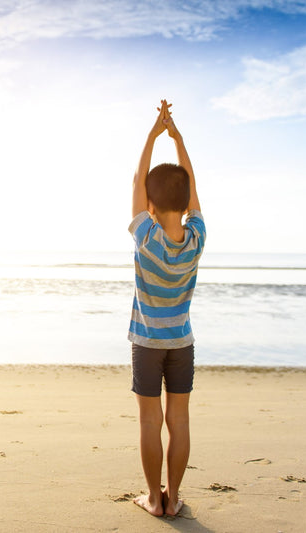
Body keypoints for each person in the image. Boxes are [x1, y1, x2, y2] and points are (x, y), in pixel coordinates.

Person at [128, 99, 206, 517]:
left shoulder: (146, 236)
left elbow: (139, 179)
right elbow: (191, 189)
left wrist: (152, 136)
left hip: (146, 343)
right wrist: (177, 139)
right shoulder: (196, 237)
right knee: (180, 419)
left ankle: (152, 499)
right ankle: (173, 498)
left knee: (148, 420)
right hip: (182, 342)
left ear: (151, 206)